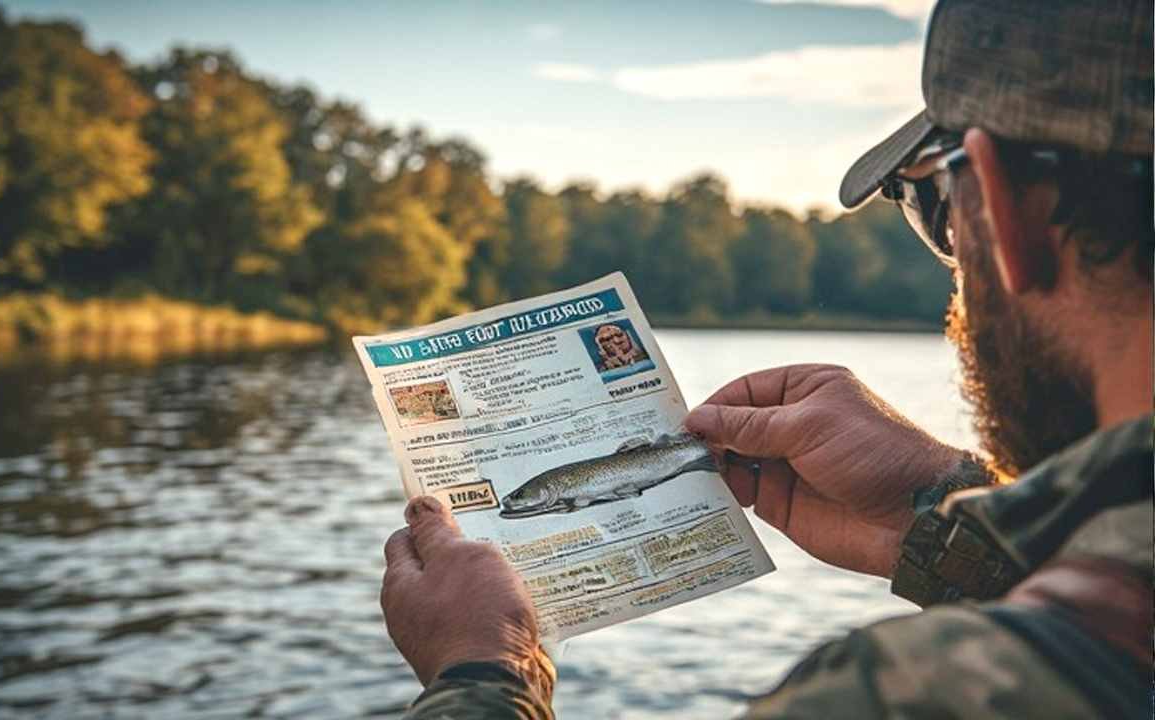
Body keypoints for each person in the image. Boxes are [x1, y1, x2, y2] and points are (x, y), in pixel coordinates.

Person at [378, 0, 1154, 716]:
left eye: (933, 203)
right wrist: (940, 516)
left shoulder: (891, 698)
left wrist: (485, 672)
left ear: (1002, 205)